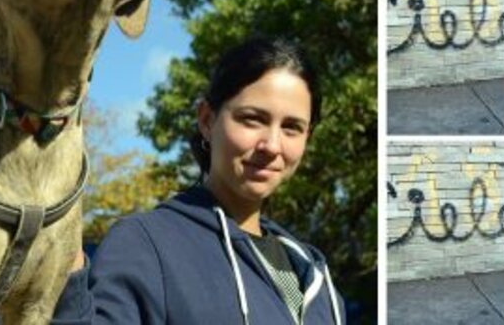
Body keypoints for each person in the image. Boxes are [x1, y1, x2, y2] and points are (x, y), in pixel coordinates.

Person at [52, 35, 345, 324]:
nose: (272, 145)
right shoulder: (147, 244)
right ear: (207, 120)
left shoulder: (313, 274)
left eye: (292, 127)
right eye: (253, 119)